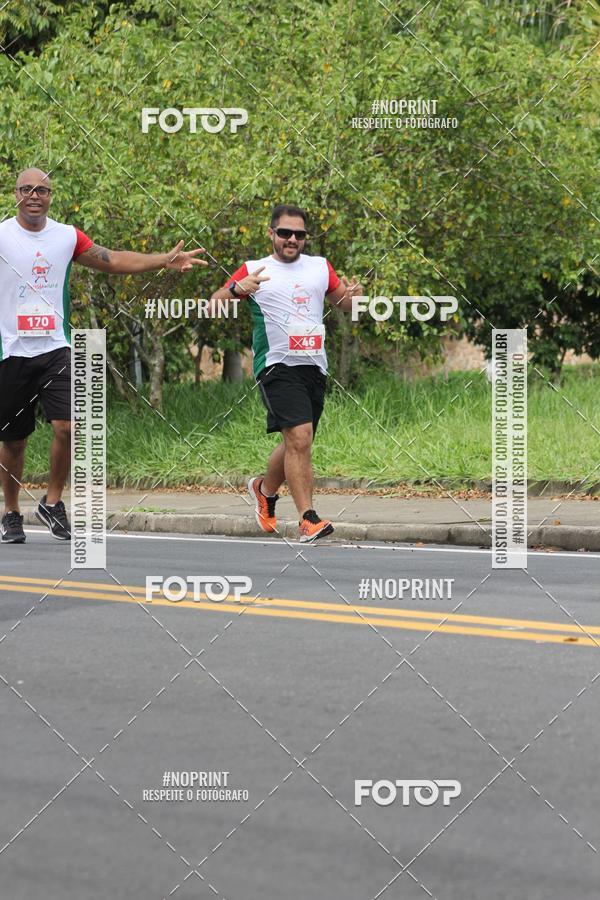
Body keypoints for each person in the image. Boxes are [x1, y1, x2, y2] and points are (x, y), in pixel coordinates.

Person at [0, 167, 206, 544]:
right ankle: (11, 511)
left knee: (69, 426)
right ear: (14, 194)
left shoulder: (65, 237)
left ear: (50, 196)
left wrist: (162, 260)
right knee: (13, 441)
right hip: (10, 351)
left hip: (55, 348)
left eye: (42, 190)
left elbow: (112, 260)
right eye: (26, 189)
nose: (34, 196)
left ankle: (52, 502)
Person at [210, 203, 362, 543]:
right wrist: (238, 288)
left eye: (299, 234)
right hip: (276, 365)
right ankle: (307, 519)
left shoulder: (320, 267)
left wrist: (356, 298)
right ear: (271, 233)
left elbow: (345, 304)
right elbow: (214, 302)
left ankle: (264, 490)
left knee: (297, 441)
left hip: (314, 366)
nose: (292, 239)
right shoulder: (253, 268)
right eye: (284, 233)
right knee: (300, 438)